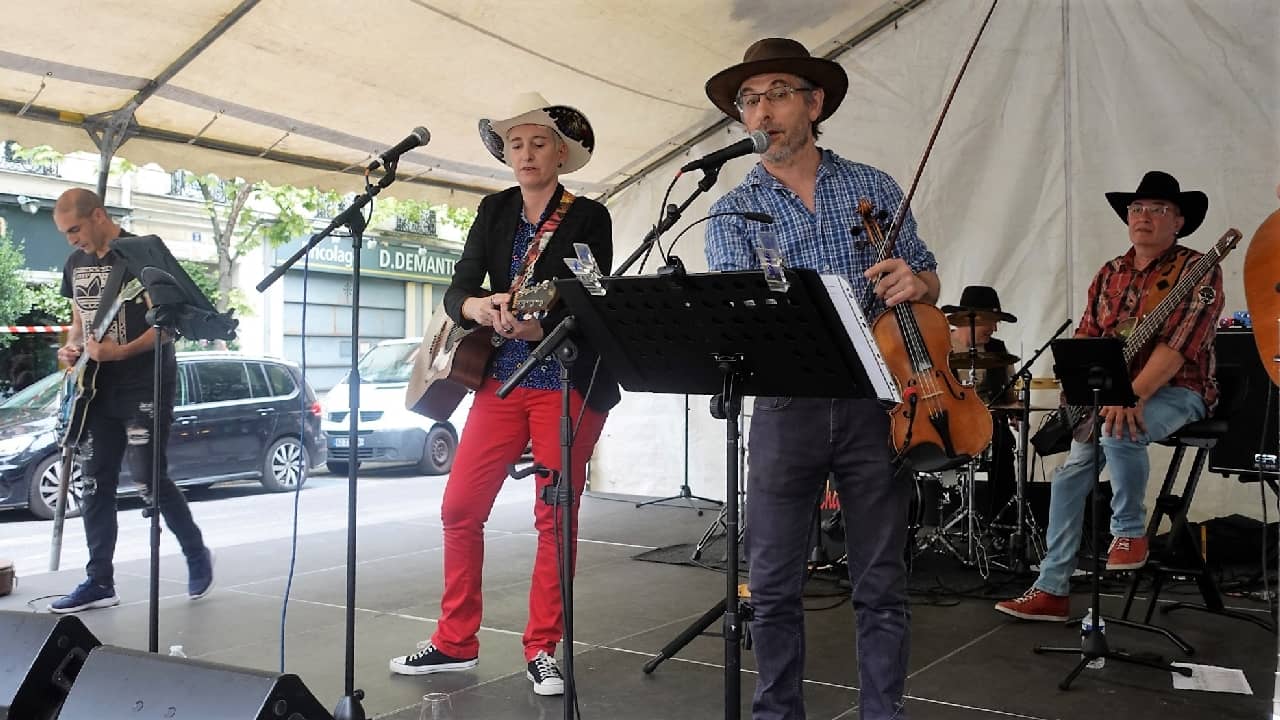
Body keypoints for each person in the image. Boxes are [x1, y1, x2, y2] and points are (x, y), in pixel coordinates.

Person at [704, 38, 940, 720]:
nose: (762, 110)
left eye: (777, 92)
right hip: (785, 404)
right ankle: (777, 714)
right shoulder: (730, 207)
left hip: (877, 402)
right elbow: (731, 311)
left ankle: (881, 713)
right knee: (772, 584)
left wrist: (915, 280)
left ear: (814, 102)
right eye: (749, 100)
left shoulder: (873, 186)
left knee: (881, 582)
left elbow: (926, 274)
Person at [389, 93, 619, 696]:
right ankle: (453, 640)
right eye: (516, 144)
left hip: (565, 380)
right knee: (460, 507)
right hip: (499, 379)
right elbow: (458, 287)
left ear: (561, 154)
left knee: (554, 514)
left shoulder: (589, 216)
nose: (525, 153)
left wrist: (540, 324)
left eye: (538, 143)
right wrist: (479, 306)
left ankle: (544, 647)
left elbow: (593, 293)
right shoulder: (493, 211)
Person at [995, 170, 1223, 621]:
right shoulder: (1109, 273)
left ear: (1178, 221)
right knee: (1067, 476)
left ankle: (1130, 532)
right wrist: (1080, 396)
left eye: (1158, 210)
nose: (1144, 217)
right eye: (1137, 209)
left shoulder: (1199, 269)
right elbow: (1086, 338)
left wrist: (1129, 397)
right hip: (1112, 396)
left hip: (1180, 392)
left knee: (1121, 430)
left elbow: (1177, 350)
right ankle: (1052, 589)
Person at [49, 188, 213, 613]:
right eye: (65, 233)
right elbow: (79, 320)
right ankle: (99, 581)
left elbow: (171, 327)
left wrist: (119, 352)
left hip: (143, 382)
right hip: (95, 389)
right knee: (94, 483)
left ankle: (195, 552)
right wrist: (70, 349)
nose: (72, 240)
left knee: (148, 479)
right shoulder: (75, 264)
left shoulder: (143, 256)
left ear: (99, 215)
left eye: (75, 229)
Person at [943, 285, 1017, 518]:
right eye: (991, 321)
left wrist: (1014, 409)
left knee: (1005, 440)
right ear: (970, 319)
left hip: (988, 424)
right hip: (949, 423)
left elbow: (1009, 397)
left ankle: (1001, 520)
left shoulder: (998, 350)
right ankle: (946, 509)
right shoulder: (941, 344)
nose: (995, 328)